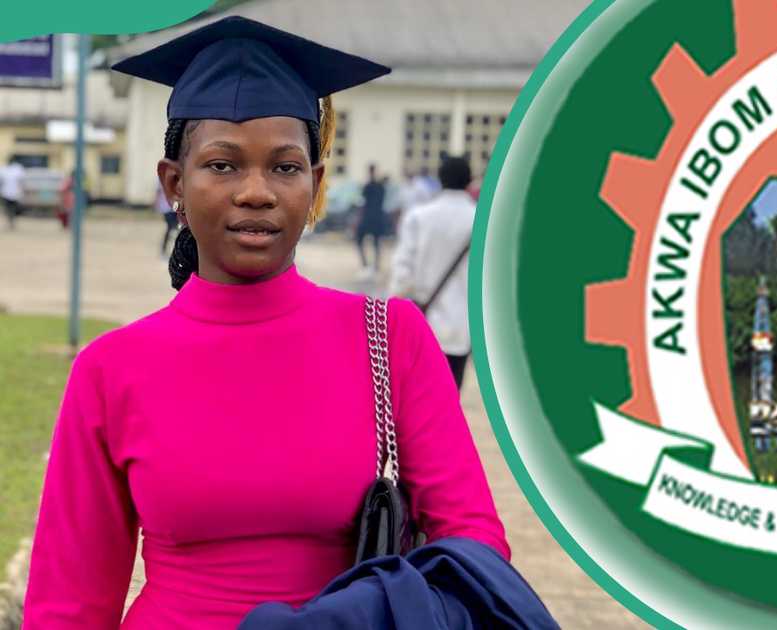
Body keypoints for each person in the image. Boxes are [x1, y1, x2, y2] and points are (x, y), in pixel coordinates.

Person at [23, 17, 514, 629]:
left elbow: (474, 546)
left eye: (285, 167)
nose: (256, 191)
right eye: (223, 165)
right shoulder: (111, 369)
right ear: (174, 182)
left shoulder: (389, 340)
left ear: (315, 184)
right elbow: (67, 604)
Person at [390, 156, 475, 389]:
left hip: (424, 322)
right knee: (450, 396)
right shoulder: (481, 220)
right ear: (469, 181)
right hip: (462, 326)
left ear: (440, 179)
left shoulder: (419, 217)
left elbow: (402, 273)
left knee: (419, 397)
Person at [355, 164, 389, 276]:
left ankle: (366, 265)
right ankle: (375, 266)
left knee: (360, 240)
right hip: (378, 217)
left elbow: (362, 203)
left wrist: (359, 218)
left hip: (368, 218)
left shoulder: (368, 186)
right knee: (376, 242)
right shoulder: (381, 187)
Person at [155, 175, 177, 257]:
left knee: (174, 229)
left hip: (175, 207)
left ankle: (172, 251)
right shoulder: (161, 176)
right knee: (170, 228)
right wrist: (156, 204)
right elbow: (158, 191)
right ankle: (164, 250)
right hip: (166, 207)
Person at [2, 158, 25, 229]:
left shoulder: (16, 169)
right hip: (8, 192)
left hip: (12, 192)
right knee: (9, 208)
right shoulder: (5, 169)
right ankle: (10, 222)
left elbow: (21, 181)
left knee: (12, 208)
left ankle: (12, 222)